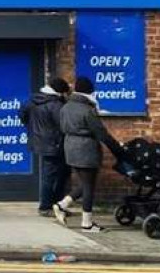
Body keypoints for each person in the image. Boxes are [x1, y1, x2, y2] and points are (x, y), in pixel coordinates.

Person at [53, 76, 125, 233]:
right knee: (88, 187)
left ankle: (61, 205)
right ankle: (87, 224)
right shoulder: (87, 110)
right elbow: (102, 133)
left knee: (85, 183)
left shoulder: (65, 107)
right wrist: (117, 149)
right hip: (85, 150)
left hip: (70, 148)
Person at [19, 77, 71, 217]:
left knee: (53, 175)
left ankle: (55, 206)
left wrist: (33, 129)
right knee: (53, 177)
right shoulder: (56, 104)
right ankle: (46, 207)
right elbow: (63, 125)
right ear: (60, 92)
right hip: (55, 144)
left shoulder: (32, 100)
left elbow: (22, 115)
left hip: (39, 142)